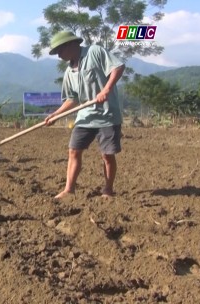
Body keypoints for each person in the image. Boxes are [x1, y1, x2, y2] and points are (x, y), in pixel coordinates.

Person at [44, 31, 125, 199]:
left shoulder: (94, 52)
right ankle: (69, 190)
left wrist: (106, 89)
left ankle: (108, 190)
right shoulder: (68, 72)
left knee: (107, 155)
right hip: (85, 116)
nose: (59, 55)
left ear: (71, 45)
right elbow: (72, 99)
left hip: (107, 114)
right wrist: (56, 114)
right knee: (74, 151)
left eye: (59, 51)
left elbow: (118, 67)